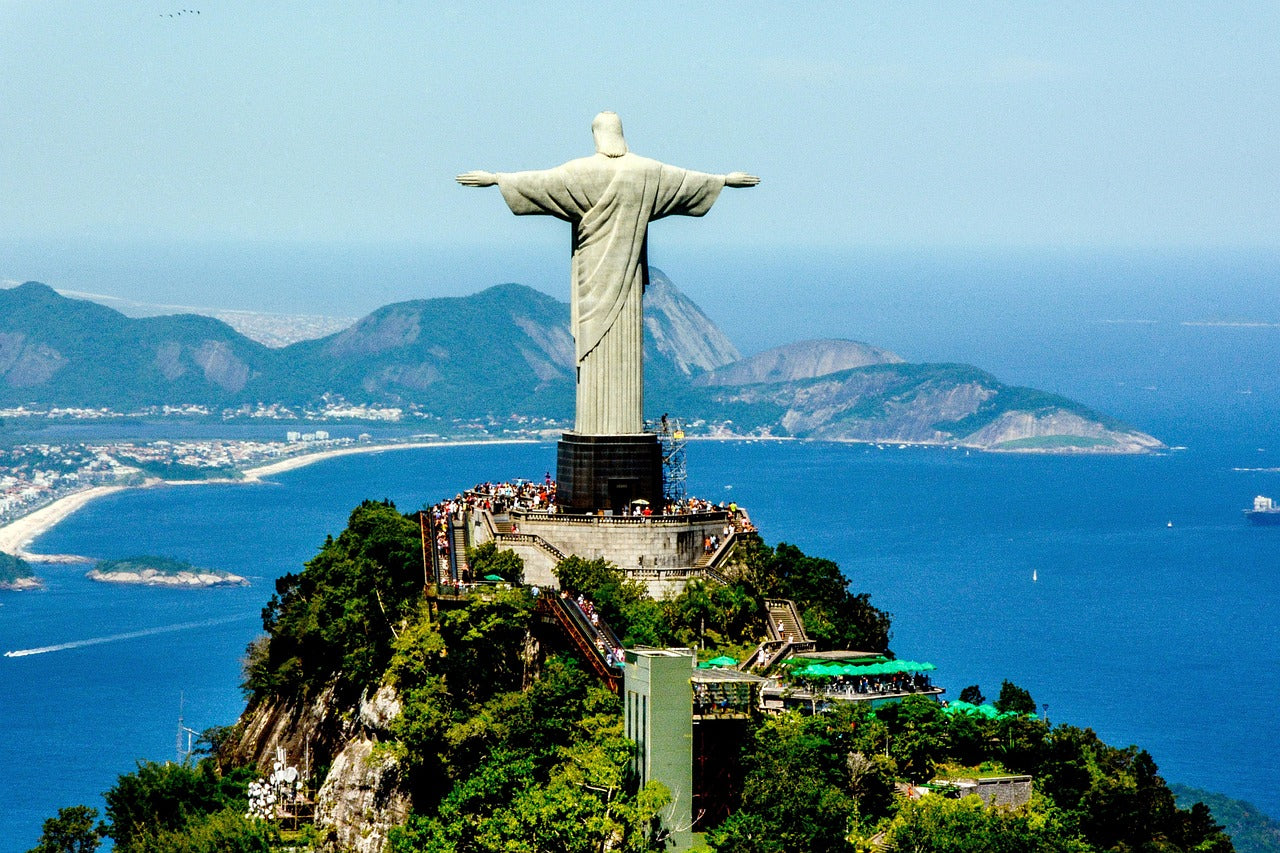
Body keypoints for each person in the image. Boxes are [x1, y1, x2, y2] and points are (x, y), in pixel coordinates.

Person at [458, 112, 758, 435]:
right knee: (622, 355)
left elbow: (539, 183)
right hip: (627, 287)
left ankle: (594, 426)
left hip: (591, 284)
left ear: (597, 136)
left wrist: (497, 179)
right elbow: (685, 182)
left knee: (592, 357)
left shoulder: (580, 173)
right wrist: (723, 180)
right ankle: (622, 426)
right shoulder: (646, 172)